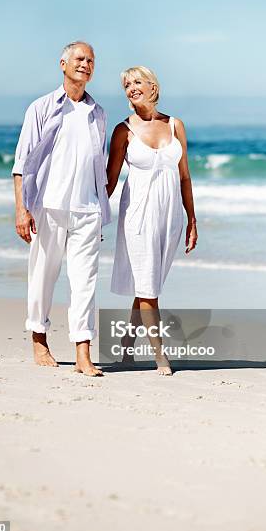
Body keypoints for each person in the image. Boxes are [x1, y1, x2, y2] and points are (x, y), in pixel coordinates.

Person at [11, 41, 111, 376]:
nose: (85, 64)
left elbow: (99, 165)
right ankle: (39, 339)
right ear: (63, 63)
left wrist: (100, 206)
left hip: (87, 210)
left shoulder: (98, 113)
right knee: (43, 275)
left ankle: (83, 352)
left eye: (91, 60)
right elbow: (21, 164)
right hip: (48, 207)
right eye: (80, 59)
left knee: (85, 282)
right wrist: (22, 210)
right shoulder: (41, 108)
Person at [106, 66, 198, 375]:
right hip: (138, 216)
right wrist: (92, 215)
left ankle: (127, 347)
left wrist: (191, 219)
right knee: (148, 287)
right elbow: (110, 181)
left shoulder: (175, 125)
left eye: (136, 82)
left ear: (152, 86)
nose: (131, 87)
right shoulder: (124, 131)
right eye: (126, 85)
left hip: (170, 215)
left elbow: (185, 177)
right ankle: (161, 356)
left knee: (149, 283)